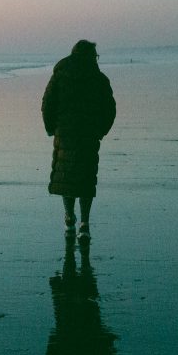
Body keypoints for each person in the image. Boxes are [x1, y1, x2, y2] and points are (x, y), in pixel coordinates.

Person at [42, 40, 116, 239]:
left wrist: (51, 128)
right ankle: (84, 224)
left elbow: (47, 103)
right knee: (85, 178)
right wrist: (100, 131)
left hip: (65, 134)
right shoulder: (99, 79)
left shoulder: (60, 75)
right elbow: (110, 109)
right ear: (92, 56)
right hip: (88, 136)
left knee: (67, 176)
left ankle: (68, 218)